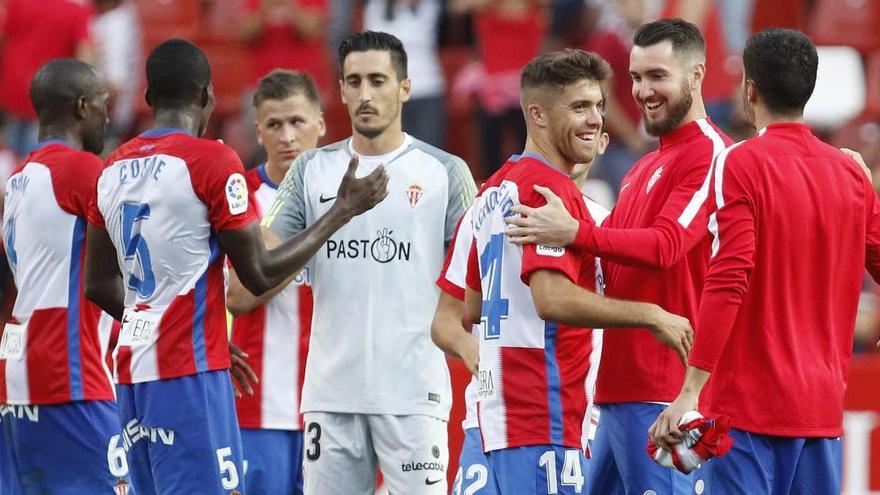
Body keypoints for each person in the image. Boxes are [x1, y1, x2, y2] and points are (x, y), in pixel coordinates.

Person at [83, 38, 387, 494]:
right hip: (190, 380)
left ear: (148, 99)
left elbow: (97, 283)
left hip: (132, 375)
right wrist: (341, 212)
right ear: (207, 95)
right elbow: (259, 274)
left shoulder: (111, 168)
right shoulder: (211, 161)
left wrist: (168, 323)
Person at [504, 19, 732, 494]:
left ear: (696, 75)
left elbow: (666, 245)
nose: (643, 91)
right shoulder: (644, 164)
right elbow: (608, 262)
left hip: (664, 393)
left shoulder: (711, 154)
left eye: (657, 76)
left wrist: (573, 230)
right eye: (635, 77)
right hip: (615, 394)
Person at [649, 28, 880, 494]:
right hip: (820, 413)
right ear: (808, 89)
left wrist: (691, 389)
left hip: (746, 414)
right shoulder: (851, 173)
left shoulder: (739, 163)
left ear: (749, 89)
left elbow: (729, 277)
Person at [462, 48, 692, 495]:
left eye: (599, 107)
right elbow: (552, 300)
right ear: (537, 114)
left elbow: (471, 305)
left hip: (495, 420)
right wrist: (651, 315)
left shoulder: (492, 189)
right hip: (543, 415)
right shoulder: (551, 190)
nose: (595, 120)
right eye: (579, 107)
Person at [263, 31, 477, 494]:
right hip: (330, 395)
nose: (364, 94)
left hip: (414, 394)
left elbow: (476, 275)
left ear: (404, 87)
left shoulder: (445, 172)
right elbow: (262, 264)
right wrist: (339, 213)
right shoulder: (310, 170)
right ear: (339, 89)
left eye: (377, 80)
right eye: (354, 81)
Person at [433, 128, 611, 495]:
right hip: (486, 412)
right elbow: (446, 319)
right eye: (575, 115)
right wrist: (472, 351)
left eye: (592, 126)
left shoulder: (605, 226)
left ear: (603, 143)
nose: (582, 134)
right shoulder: (487, 208)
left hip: (575, 418)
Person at [0, 58, 130, 494]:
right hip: (72, 378)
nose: (107, 115)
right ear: (81, 107)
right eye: (102, 104)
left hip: (17, 380)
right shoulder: (81, 170)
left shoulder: (19, 178)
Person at [226, 69, 326, 494]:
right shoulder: (239, 198)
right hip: (258, 407)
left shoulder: (355, 196)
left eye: (297, 122)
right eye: (274, 125)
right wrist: (318, 226)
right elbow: (239, 296)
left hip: (335, 407)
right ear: (258, 131)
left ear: (320, 123)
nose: (287, 136)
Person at [0, 0, 95, 158]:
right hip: (49, 101)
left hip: (14, 95)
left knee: (10, 165)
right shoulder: (76, 11)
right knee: (38, 164)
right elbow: (86, 57)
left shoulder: (17, 3)